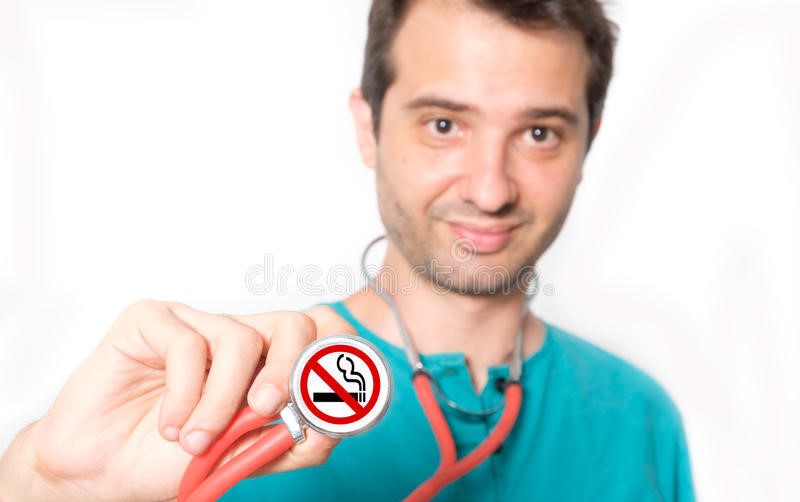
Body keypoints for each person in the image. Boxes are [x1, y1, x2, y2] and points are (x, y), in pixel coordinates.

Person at [0, 0, 695, 500]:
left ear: (587, 142)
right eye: (444, 124)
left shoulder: (641, 421)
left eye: (540, 133)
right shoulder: (215, 411)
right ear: (369, 128)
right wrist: (48, 483)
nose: (490, 189)